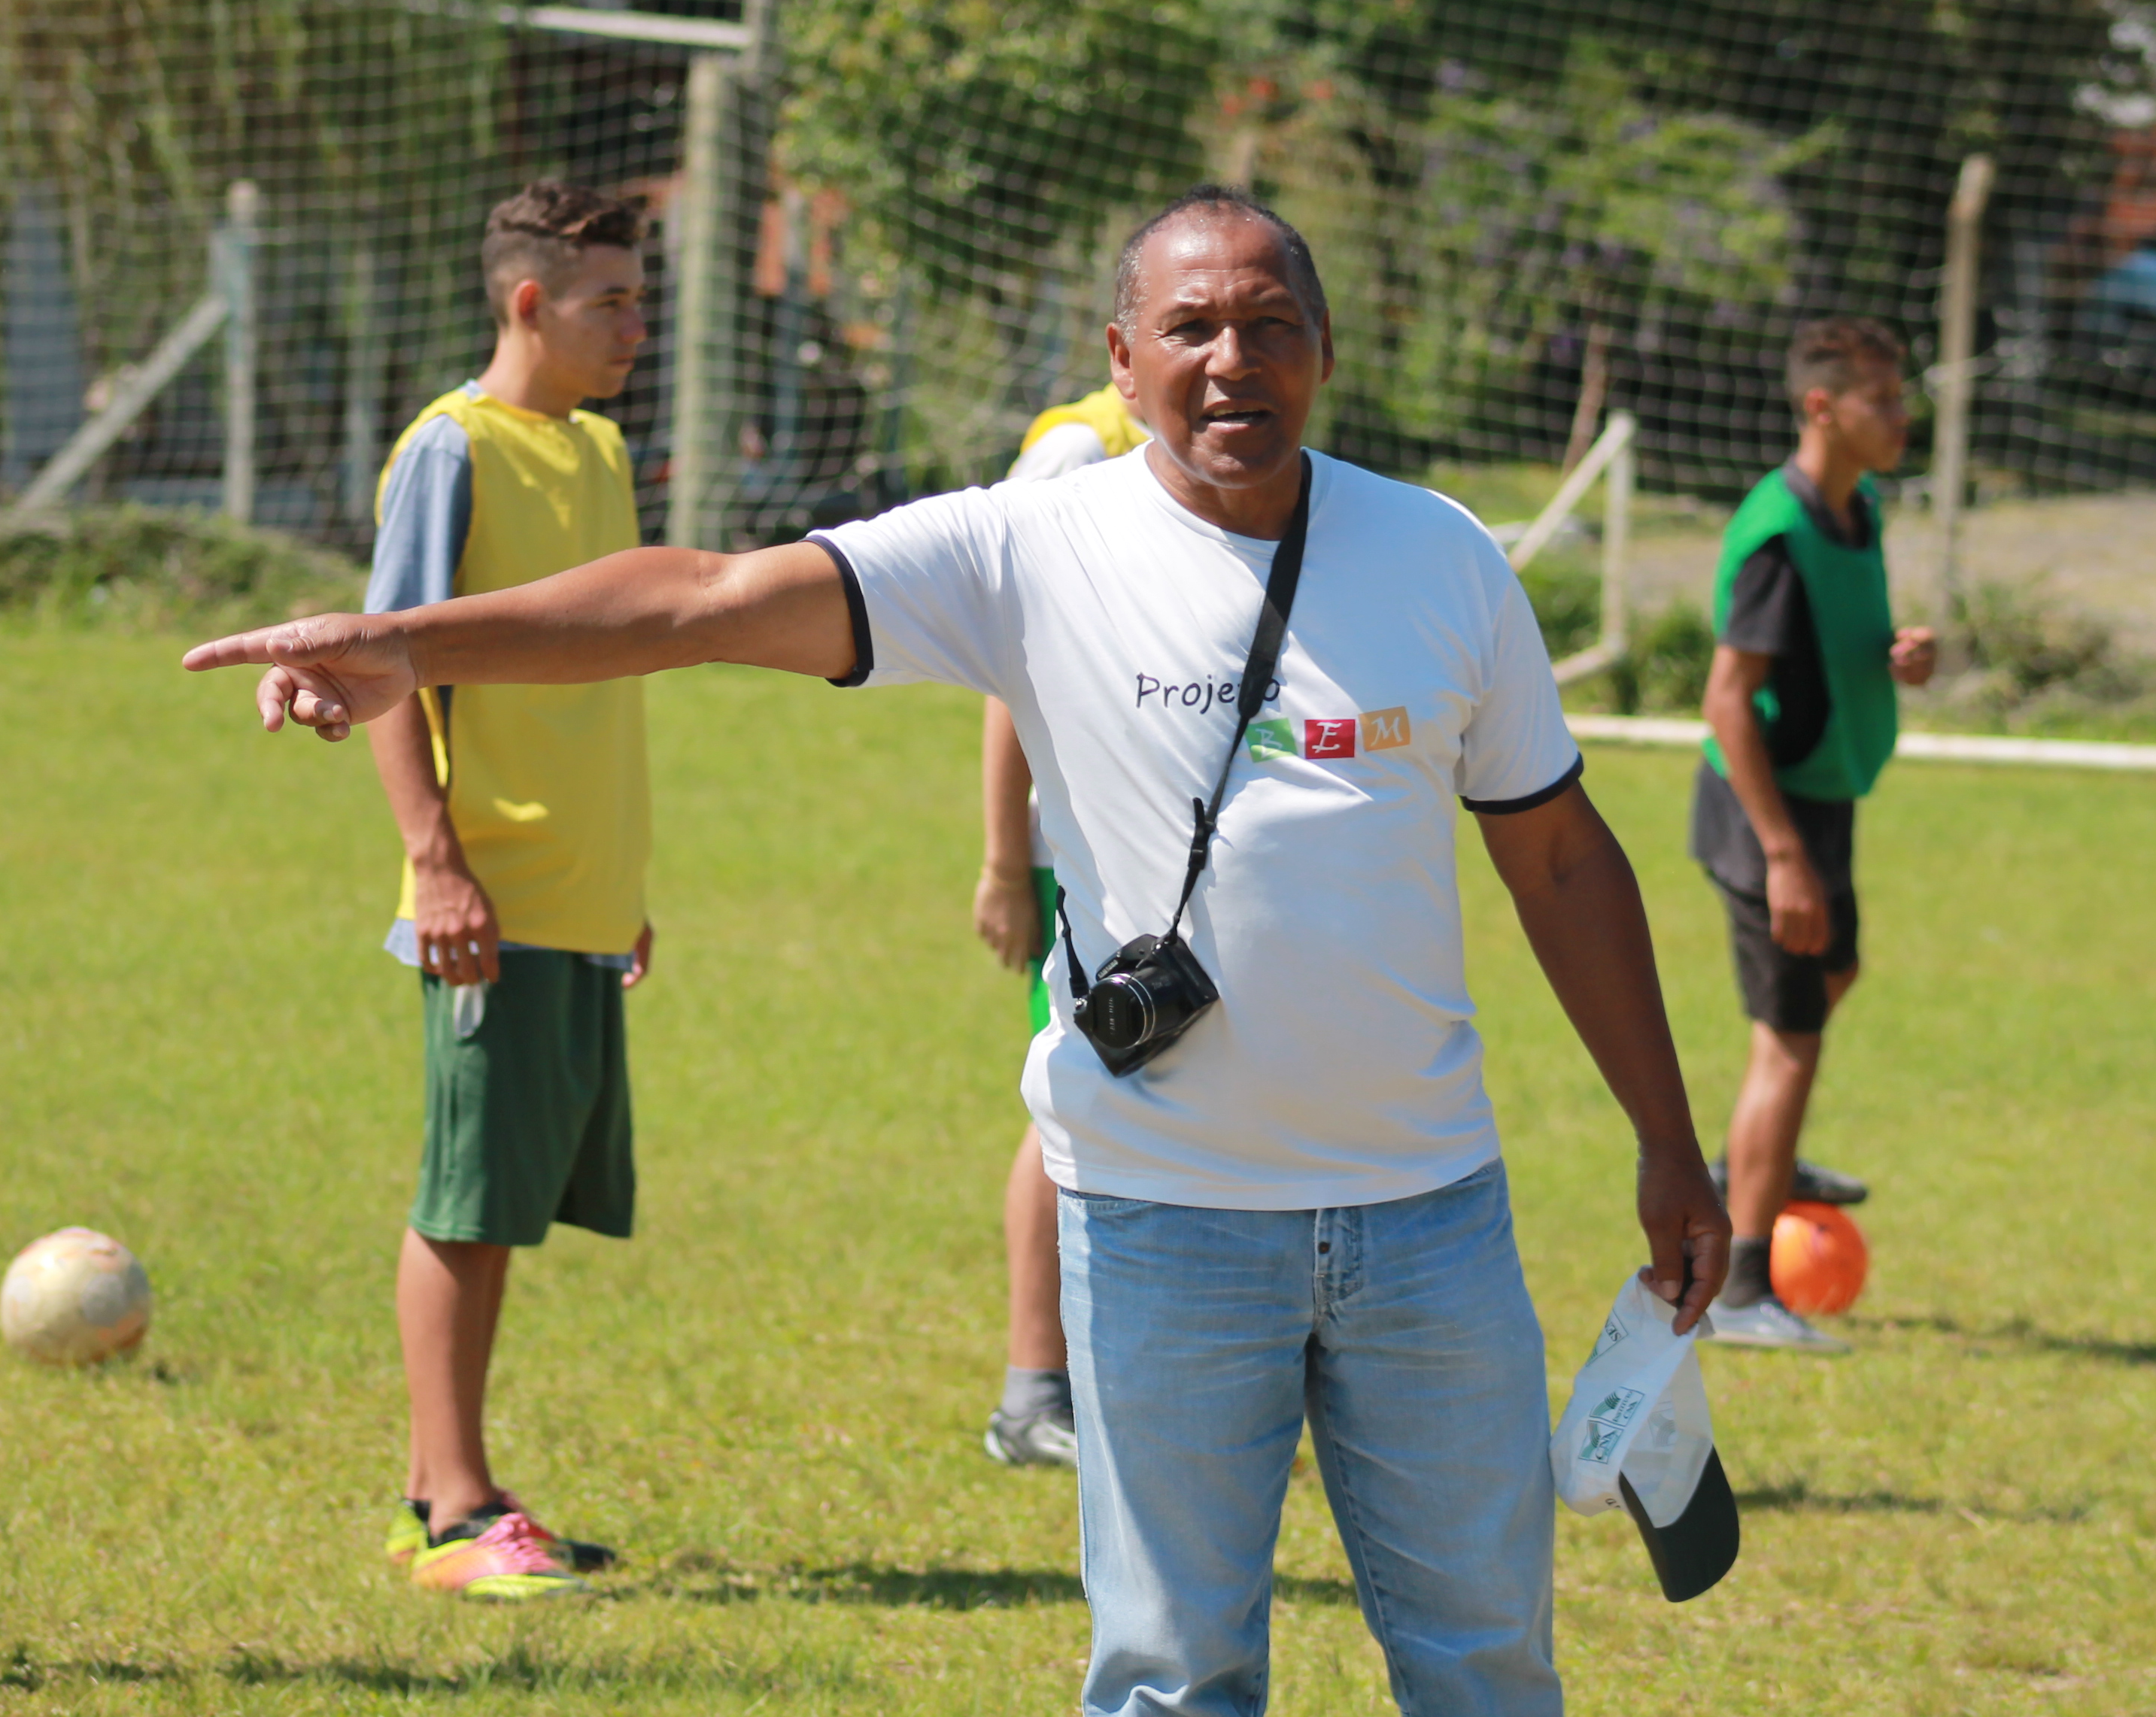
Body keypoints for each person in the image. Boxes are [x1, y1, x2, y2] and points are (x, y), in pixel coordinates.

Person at [188, 184, 1731, 1716]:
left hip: (1429, 1216)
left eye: (1269, 325)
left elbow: (1563, 854)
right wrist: (410, 643)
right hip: (1164, 1219)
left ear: (1323, 350)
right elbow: (706, 596)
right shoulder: (1028, 544)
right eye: (1189, 326)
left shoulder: (1440, 555)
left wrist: (1669, 1138)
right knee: (1174, 1677)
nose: (1230, 359)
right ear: (1121, 360)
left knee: (1486, 1662)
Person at [365, 182, 655, 1602]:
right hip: (488, 891)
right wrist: (434, 859)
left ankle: (449, 1483)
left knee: (511, 1197)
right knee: (466, 1198)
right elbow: (381, 663)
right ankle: (454, 1510)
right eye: (611, 298)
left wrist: (621, 883)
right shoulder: (449, 449)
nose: (637, 325)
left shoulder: (598, 448)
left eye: (638, 295)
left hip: (577, 898)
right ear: (528, 302)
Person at [1690, 317, 1936, 1354]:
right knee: (1789, 1044)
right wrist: (1782, 856)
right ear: (1820, 409)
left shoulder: (1859, 507)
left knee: (1835, 972)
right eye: (1881, 400)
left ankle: (1751, 1171)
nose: (1902, 415)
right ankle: (1742, 1290)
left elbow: (1823, 647)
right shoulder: (1780, 539)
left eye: (1901, 394)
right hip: (1766, 819)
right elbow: (1730, 701)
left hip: (1821, 802)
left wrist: (1895, 653)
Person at [972, 382, 1147, 1471]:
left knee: (1138, 1098)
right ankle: (1031, 1395)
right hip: (1070, 853)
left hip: (1154, 852)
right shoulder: (1083, 453)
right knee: (1071, 1104)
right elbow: (1008, 654)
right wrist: (1003, 856)